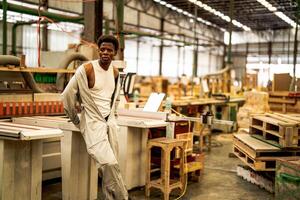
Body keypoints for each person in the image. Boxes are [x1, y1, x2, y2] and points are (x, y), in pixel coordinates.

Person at [62, 35, 128, 200]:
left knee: (112, 165)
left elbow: (116, 97)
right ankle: (123, 197)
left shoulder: (115, 72)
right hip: (92, 122)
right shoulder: (86, 69)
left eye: (109, 50)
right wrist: (76, 119)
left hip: (110, 124)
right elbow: (67, 95)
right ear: (98, 50)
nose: (105, 53)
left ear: (115, 53)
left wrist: (114, 117)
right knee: (108, 163)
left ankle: (110, 197)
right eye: (102, 49)